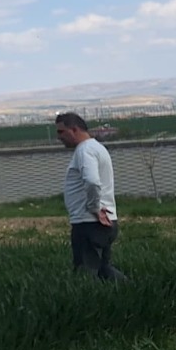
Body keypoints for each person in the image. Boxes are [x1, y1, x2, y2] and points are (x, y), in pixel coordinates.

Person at [56, 112, 124, 281]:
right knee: (103, 270)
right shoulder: (97, 148)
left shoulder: (85, 150)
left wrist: (94, 208)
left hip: (89, 223)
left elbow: (92, 181)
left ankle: (88, 306)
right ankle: (132, 293)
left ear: (74, 129)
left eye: (61, 132)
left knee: (85, 275)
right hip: (105, 221)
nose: (59, 137)